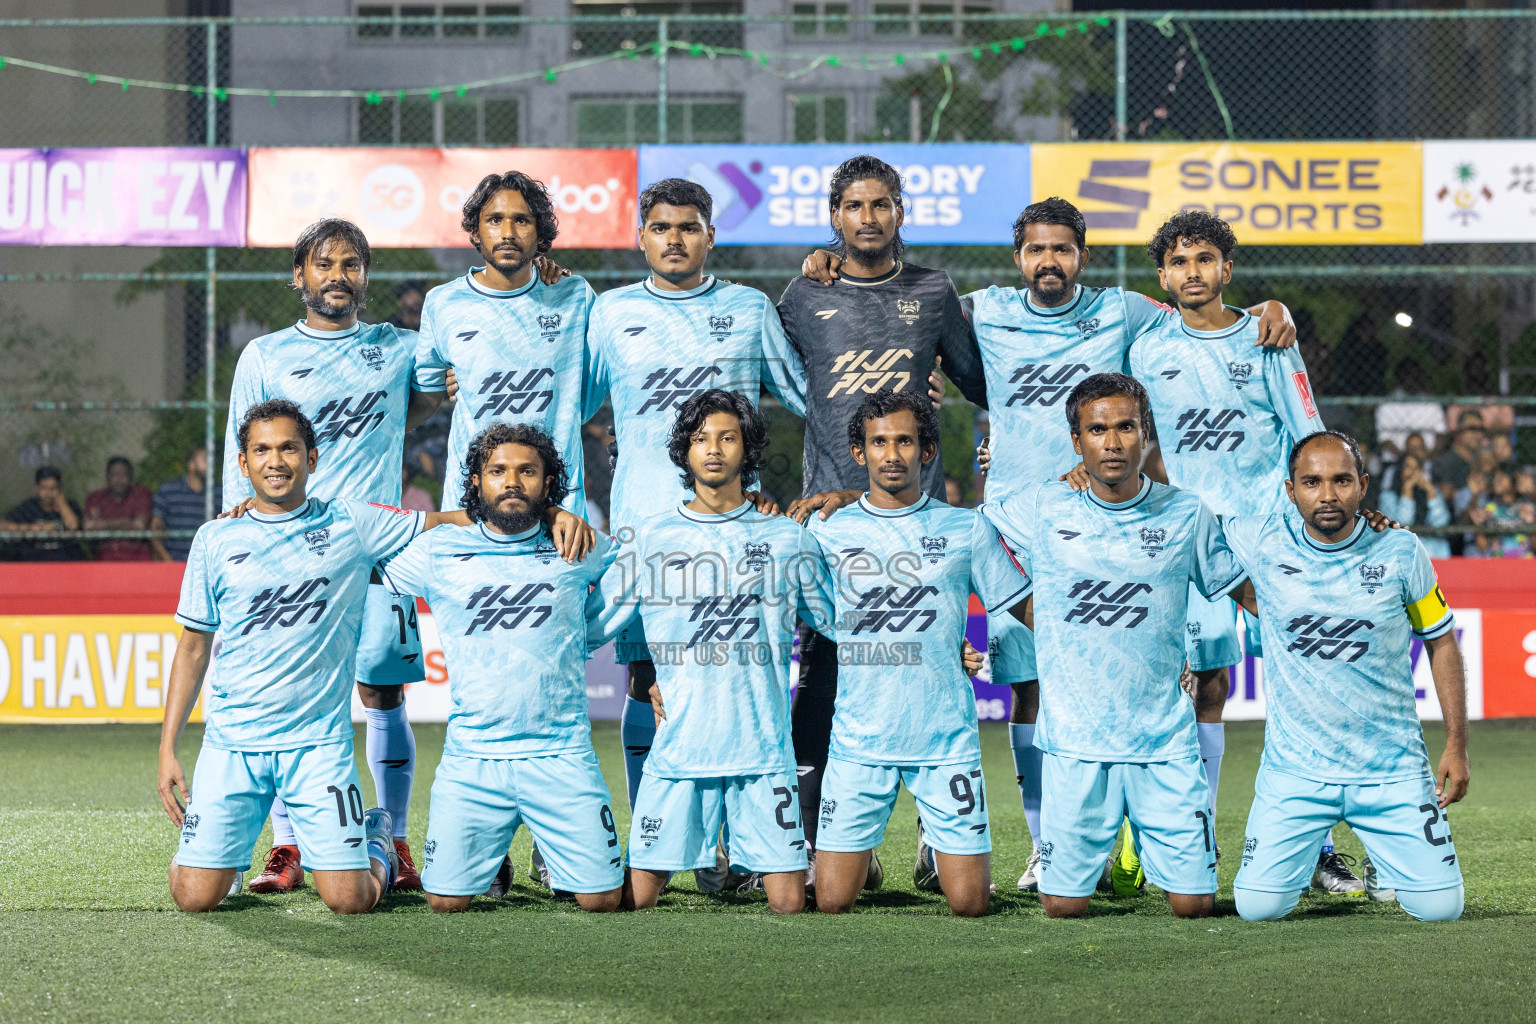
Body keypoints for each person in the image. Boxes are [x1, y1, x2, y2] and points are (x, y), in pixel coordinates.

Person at [961, 197, 1297, 894]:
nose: (1048, 261)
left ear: (1083, 255)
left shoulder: (1126, 313)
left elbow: (1205, 317)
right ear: (1017, 257)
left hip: (1128, 522)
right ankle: (1046, 843)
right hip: (1024, 524)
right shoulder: (982, 308)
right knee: (1033, 688)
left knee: (1204, 684)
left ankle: (1179, 839)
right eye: (1035, 250)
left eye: (1062, 249)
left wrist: (1272, 307)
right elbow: (910, 312)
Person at [156, 400, 475, 913]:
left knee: (350, 901)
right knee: (192, 897)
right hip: (233, 743)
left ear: (313, 459)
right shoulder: (215, 538)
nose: (275, 460)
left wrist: (540, 512)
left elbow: (443, 520)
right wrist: (168, 746)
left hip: (317, 747)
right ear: (243, 464)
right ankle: (217, 850)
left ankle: (376, 838)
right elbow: (192, 647)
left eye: (288, 448)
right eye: (261, 450)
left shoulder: (352, 524)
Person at [585, 176, 807, 882]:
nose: (674, 239)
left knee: (733, 681)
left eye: (688, 227)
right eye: (661, 227)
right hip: (642, 534)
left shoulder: (747, 308)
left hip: (737, 531)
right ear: (640, 237)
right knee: (647, 681)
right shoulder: (610, 312)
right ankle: (650, 837)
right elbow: (569, 401)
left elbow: (807, 395)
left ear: (710, 235)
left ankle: (729, 851)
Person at [222, 217, 449, 894]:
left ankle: (397, 837)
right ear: (299, 276)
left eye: (351, 265)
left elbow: (465, 366)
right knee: (295, 699)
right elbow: (244, 456)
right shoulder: (264, 355)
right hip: (290, 555)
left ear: (365, 276)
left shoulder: (398, 348)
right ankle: (288, 847)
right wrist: (242, 536)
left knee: (384, 693)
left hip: (374, 553)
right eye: (324, 264)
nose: (338, 276)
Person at [776, 155, 987, 882]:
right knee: (826, 671)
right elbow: (765, 368)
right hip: (829, 516)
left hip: (918, 520)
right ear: (833, 217)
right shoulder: (805, 293)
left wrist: (973, 419)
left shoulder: (932, 292)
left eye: (882, 204)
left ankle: (940, 841)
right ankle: (816, 841)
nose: (868, 217)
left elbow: (981, 378)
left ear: (902, 212)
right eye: (854, 206)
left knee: (930, 666)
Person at [982, 374, 1247, 919]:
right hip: (1075, 745)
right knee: (1061, 907)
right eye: (1096, 429)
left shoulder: (1185, 513)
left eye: (1126, 426)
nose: (1113, 441)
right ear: (1077, 441)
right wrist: (1031, 611)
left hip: (1164, 742)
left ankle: (1145, 841)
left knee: (1194, 906)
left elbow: (1241, 587)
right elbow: (970, 538)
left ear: (1145, 434)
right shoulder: (1044, 506)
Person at [1125, 210, 1326, 888]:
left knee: (1302, 689)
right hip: (1193, 543)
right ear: (1162, 275)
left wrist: (1318, 527)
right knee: (1204, 686)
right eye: (1179, 263)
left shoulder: (1268, 337)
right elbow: (1135, 439)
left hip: (1273, 535)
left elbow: (1306, 436)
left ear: (1226, 269)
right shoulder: (1147, 348)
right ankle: (1196, 839)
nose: (1192, 273)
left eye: (1205, 260)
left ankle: (1316, 846)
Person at [589, 389, 833, 914]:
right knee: (631, 901)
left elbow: (842, 623)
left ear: (749, 448)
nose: (714, 448)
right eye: (700, 439)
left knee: (790, 905)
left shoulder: (787, 540)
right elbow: (594, 624)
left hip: (763, 754)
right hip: (680, 752)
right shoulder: (652, 538)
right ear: (684, 451)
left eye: (727, 436)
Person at [798, 390, 1029, 917]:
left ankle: (917, 850)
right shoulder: (827, 529)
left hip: (944, 737)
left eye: (905, 440)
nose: (892, 453)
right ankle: (863, 856)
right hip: (860, 738)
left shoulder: (965, 528)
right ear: (860, 454)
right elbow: (814, 611)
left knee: (970, 904)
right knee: (832, 901)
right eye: (879, 442)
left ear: (927, 451)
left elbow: (1021, 604)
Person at [377, 422, 622, 912]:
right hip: (474, 758)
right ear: (476, 482)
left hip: (561, 753)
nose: (512, 482)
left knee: (602, 901)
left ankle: (542, 851)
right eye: (498, 471)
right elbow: (364, 555)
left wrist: (582, 634)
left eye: (527, 471)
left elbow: (635, 575)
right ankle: (381, 842)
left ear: (548, 484)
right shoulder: (439, 550)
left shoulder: (575, 545)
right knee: (445, 903)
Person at [1227, 431, 1468, 923]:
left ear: (1362, 485)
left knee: (1441, 909)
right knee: (1257, 908)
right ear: (1291, 490)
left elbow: (1441, 641)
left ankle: (1386, 859)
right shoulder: (1257, 539)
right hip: (1295, 772)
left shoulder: (1401, 550)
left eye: (1341, 480)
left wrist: (1456, 745)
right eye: (1312, 482)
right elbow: (1180, 525)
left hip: (1392, 768)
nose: (1328, 494)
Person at [413, 171, 595, 518]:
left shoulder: (574, 297)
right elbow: (426, 392)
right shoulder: (443, 303)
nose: (508, 233)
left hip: (558, 511)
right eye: (495, 220)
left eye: (522, 221)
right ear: (476, 231)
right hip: (471, 510)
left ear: (540, 233)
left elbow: (589, 393)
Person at [151, 446, 220, 562]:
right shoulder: (168, 491)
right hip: (174, 561)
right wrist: (168, 561)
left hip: (208, 563)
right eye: (205, 460)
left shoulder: (219, 492)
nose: (210, 465)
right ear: (191, 465)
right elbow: (154, 529)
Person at [1379, 453, 1452, 559]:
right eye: (1408, 467)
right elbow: (1403, 523)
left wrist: (1430, 492)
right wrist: (1407, 490)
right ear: (1400, 470)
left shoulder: (1432, 492)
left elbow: (1440, 522)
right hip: (1400, 548)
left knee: (1441, 547)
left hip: (1431, 548)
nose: (1413, 473)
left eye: (1417, 468)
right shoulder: (1388, 496)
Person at [2, 465, 82, 561]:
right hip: (34, 559)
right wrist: (37, 528)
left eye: (53, 489)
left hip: (64, 559)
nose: (48, 493)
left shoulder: (70, 505)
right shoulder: (29, 507)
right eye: (44, 488)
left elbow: (73, 526)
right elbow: (4, 526)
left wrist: (62, 504)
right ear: (36, 488)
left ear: (60, 488)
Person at [84, 456, 154, 561]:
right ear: (107, 477)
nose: (119, 480)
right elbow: (88, 527)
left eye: (124, 475)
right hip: (104, 561)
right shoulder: (96, 498)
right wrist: (127, 523)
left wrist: (101, 524)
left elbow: (140, 526)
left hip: (137, 561)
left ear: (131, 477)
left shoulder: (140, 494)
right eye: (115, 475)